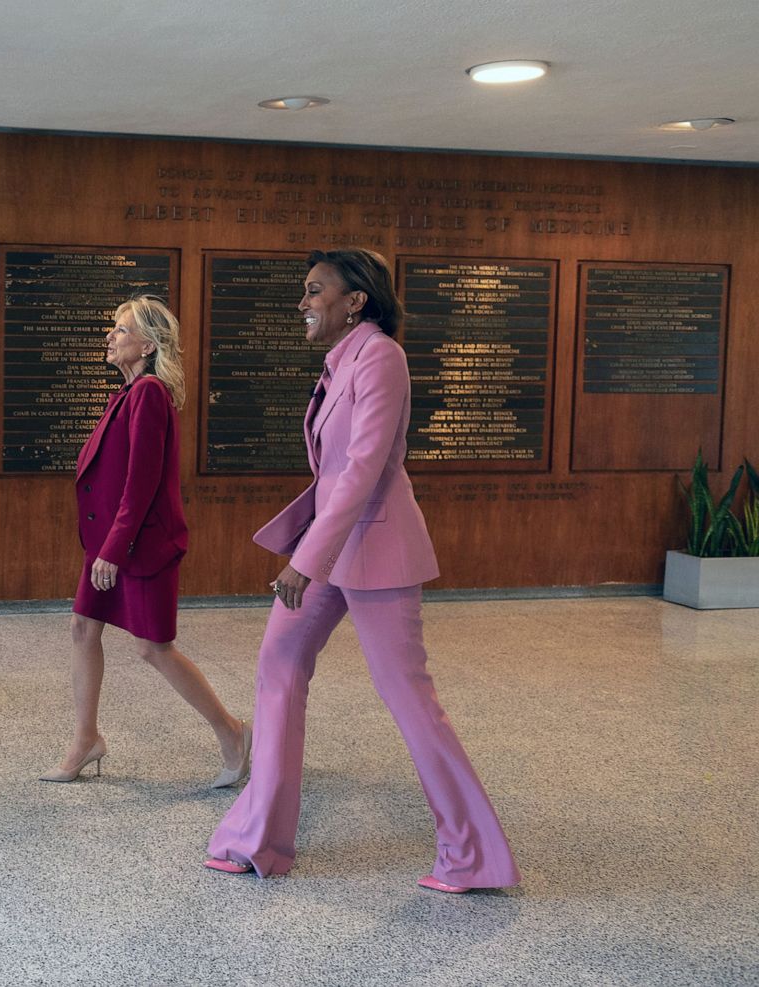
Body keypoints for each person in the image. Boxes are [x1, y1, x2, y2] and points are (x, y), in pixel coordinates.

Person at [204, 250, 520, 892]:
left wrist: (303, 559)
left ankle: (473, 856)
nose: (303, 301)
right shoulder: (340, 361)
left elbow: (363, 467)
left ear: (356, 301)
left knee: (408, 696)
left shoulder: (381, 356)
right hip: (333, 545)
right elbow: (333, 469)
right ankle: (259, 840)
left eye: (316, 290)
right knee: (278, 665)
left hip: (374, 546)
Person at [41, 295, 251, 788]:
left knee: (154, 648)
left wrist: (114, 548)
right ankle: (86, 739)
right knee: (82, 628)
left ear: (148, 344)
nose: (110, 336)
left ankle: (232, 732)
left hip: (141, 545)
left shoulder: (150, 393)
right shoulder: (128, 394)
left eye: (121, 329)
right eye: (113, 328)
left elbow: (143, 480)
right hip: (111, 542)